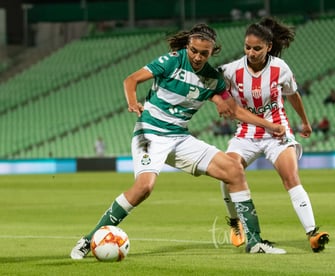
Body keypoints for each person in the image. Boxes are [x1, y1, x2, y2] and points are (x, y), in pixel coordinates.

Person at [70, 23, 288, 260]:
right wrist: (133, 102)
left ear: (211, 52)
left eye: (203, 53)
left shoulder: (212, 79)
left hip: (179, 137)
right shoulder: (172, 61)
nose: (197, 56)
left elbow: (233, 110)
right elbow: (131, 80)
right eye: (194, 50)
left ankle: (254, 241)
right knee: (144, 187)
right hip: (150, 132)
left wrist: (268, 125)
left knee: (233, 170)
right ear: (188, 46)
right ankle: (88, 240)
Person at [218, 17, 329, 253]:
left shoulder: (280, 68)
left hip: (277, 133)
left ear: (268, 46)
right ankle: (235, 223)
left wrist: (305, 122)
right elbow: (212, 85)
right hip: (246, 134)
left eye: (257, 48)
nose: (251, 52)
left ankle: (312, 232)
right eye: (247, 47)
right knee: (226, 173)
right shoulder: (232, 70)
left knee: (291, 178)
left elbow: (293, 95)